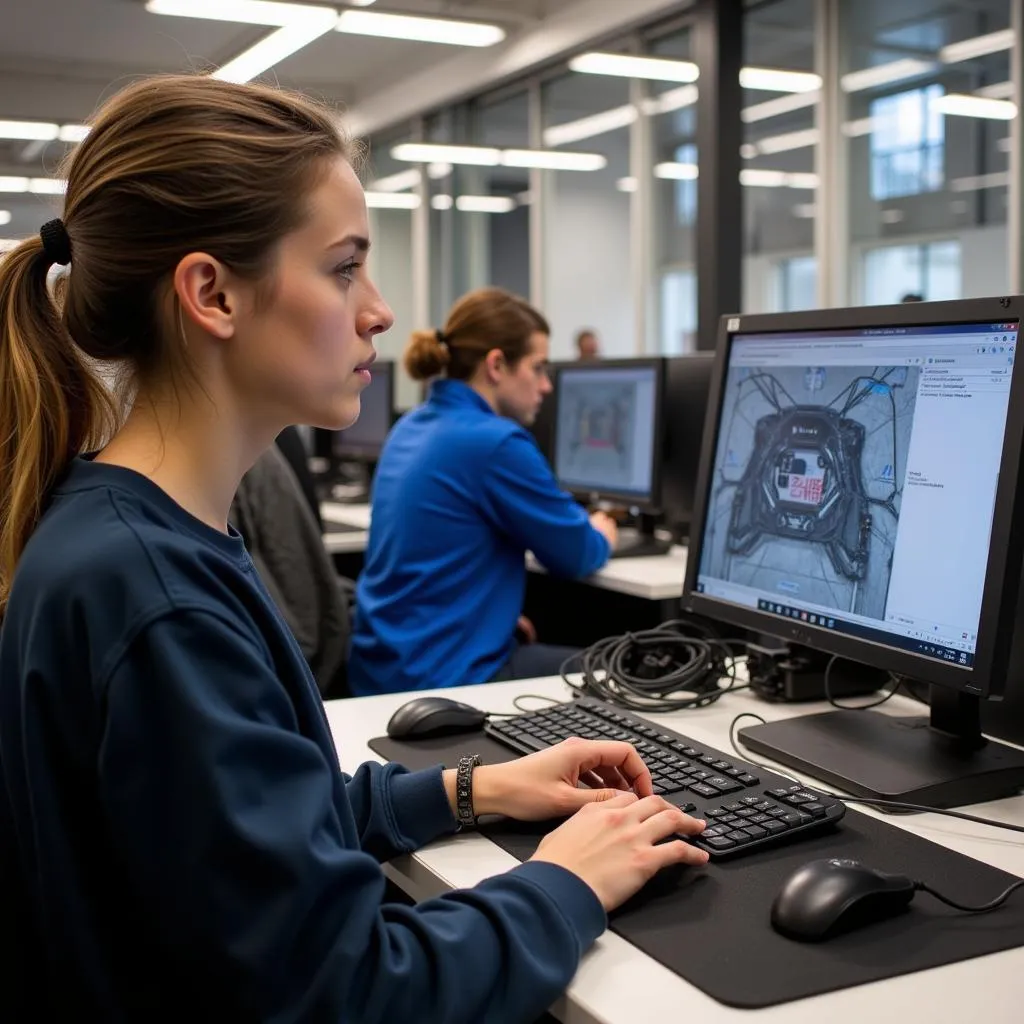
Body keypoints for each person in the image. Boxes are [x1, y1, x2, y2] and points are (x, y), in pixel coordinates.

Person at [0, 75, 708, 1022]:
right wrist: (567, 882)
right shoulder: (158, 594)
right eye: (343, 268)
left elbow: (251, 830)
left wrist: (473, 788)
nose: (379, 310)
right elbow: (348, 992)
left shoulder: (133, 533)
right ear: (211, 293)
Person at [348, 288, 619, 697]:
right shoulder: (495, 443)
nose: (546, 386)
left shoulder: (412, 425)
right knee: (622, 669)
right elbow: (576, 553)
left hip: (385, 666)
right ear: (496, 365)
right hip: (446, 677)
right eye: (538, 368)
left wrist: (494, 617)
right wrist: (604, 529)